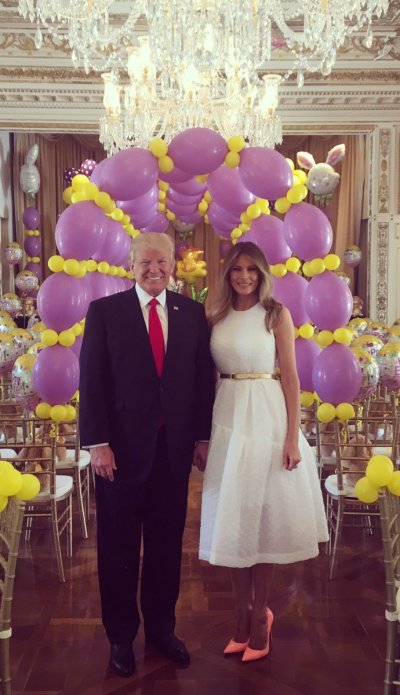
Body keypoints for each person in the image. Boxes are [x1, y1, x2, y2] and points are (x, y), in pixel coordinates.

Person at [79, 232, 215, 677]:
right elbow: (93, 381)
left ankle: (161, 629)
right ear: (131, 266)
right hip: (117, 455)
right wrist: (97, 443)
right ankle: (120, 637)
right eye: (145, 263)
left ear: (173, 265)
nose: (154, 270)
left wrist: (201, 437)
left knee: (165, 547)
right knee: (117, 547)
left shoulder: (191, 313)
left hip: (172, 454)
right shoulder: (105, 312)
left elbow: (200, 382)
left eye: (162, 262)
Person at [199, 241, 328, 663]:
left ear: (262, 273)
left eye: (252, 270)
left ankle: (260, 619)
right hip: (229, 415)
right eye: (237, 269)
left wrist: (293, 437)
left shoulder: (276, 314)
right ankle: (241, 616)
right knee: (235, 518)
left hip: (268, 416)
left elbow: (290, 377)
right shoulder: (214, 316)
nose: (244, 277)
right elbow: (203, 376)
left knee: (265, 518)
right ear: (227, 274)